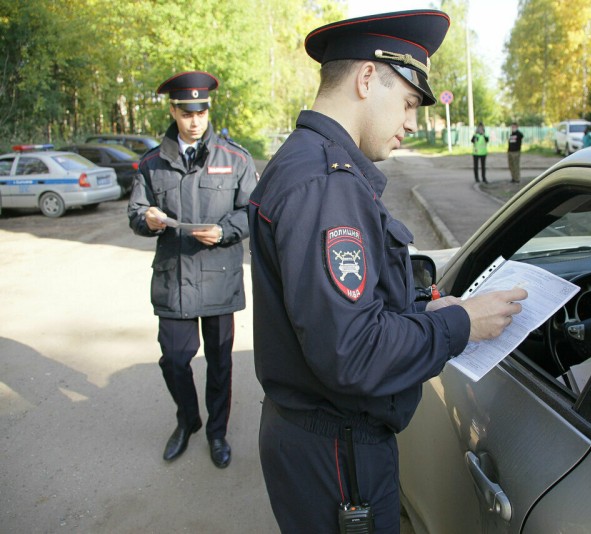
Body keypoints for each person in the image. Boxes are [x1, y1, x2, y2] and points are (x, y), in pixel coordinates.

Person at [248, 10, 527, 533]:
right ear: (366, 78)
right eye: (407, 103)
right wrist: (461, 323)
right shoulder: (327, 184)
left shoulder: (312, 163)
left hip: (322, 444)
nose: (411, 122)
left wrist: (421, 309)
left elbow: (340, 311)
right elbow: (352, 352)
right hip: (338, 455)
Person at [127, 71, 258, 469]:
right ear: (173, 111)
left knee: (219, 363)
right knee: (174, 359)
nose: (195, 120)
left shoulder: (235, 158)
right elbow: (134, 212)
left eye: (200, 111)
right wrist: (146, 219)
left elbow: (254, 213)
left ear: (208, 109)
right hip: (174, 280)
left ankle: (217, 433)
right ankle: (188, 421)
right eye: (187, 112)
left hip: (219, 279)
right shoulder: (152, 163)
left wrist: (224, 230)